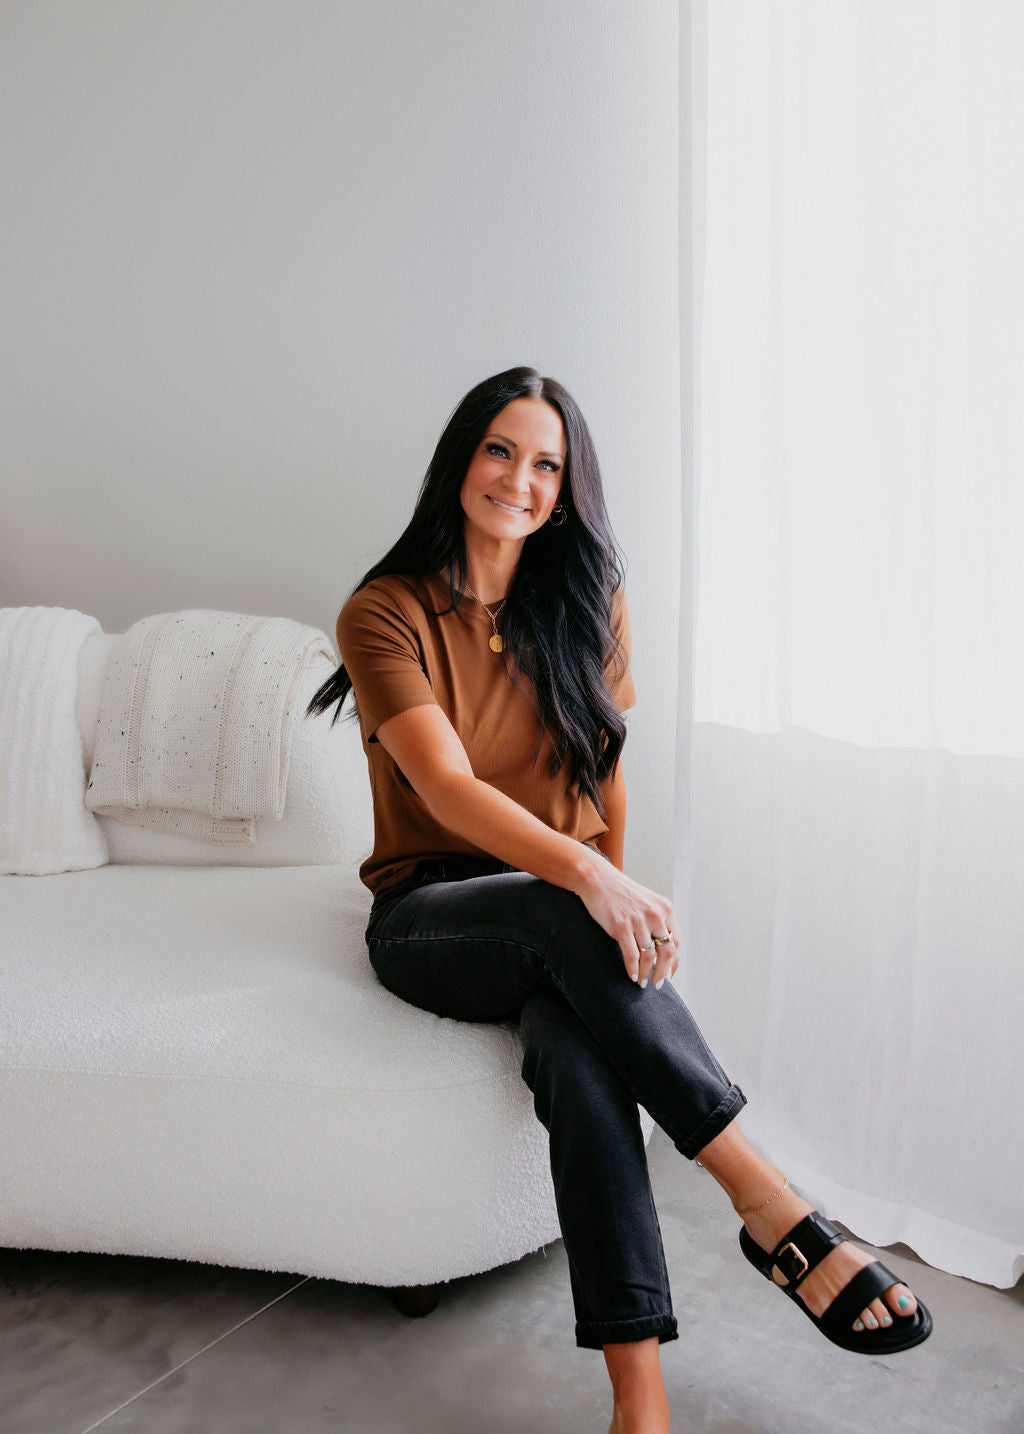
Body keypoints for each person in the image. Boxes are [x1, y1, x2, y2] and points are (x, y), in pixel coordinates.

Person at [306, 366, 931, 1434]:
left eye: (546, 465)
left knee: (577, 1049)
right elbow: (445, 788)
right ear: (460, 458)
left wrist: (612, 900)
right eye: (500, 450)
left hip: (554, 909)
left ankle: (639, 1402)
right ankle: (766, 1200)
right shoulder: (386, 611)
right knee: (561, 903)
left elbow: (606, 768)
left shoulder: (588, 601)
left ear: (567, 489)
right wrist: (591, 880)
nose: (519, 479)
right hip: (432, 913)